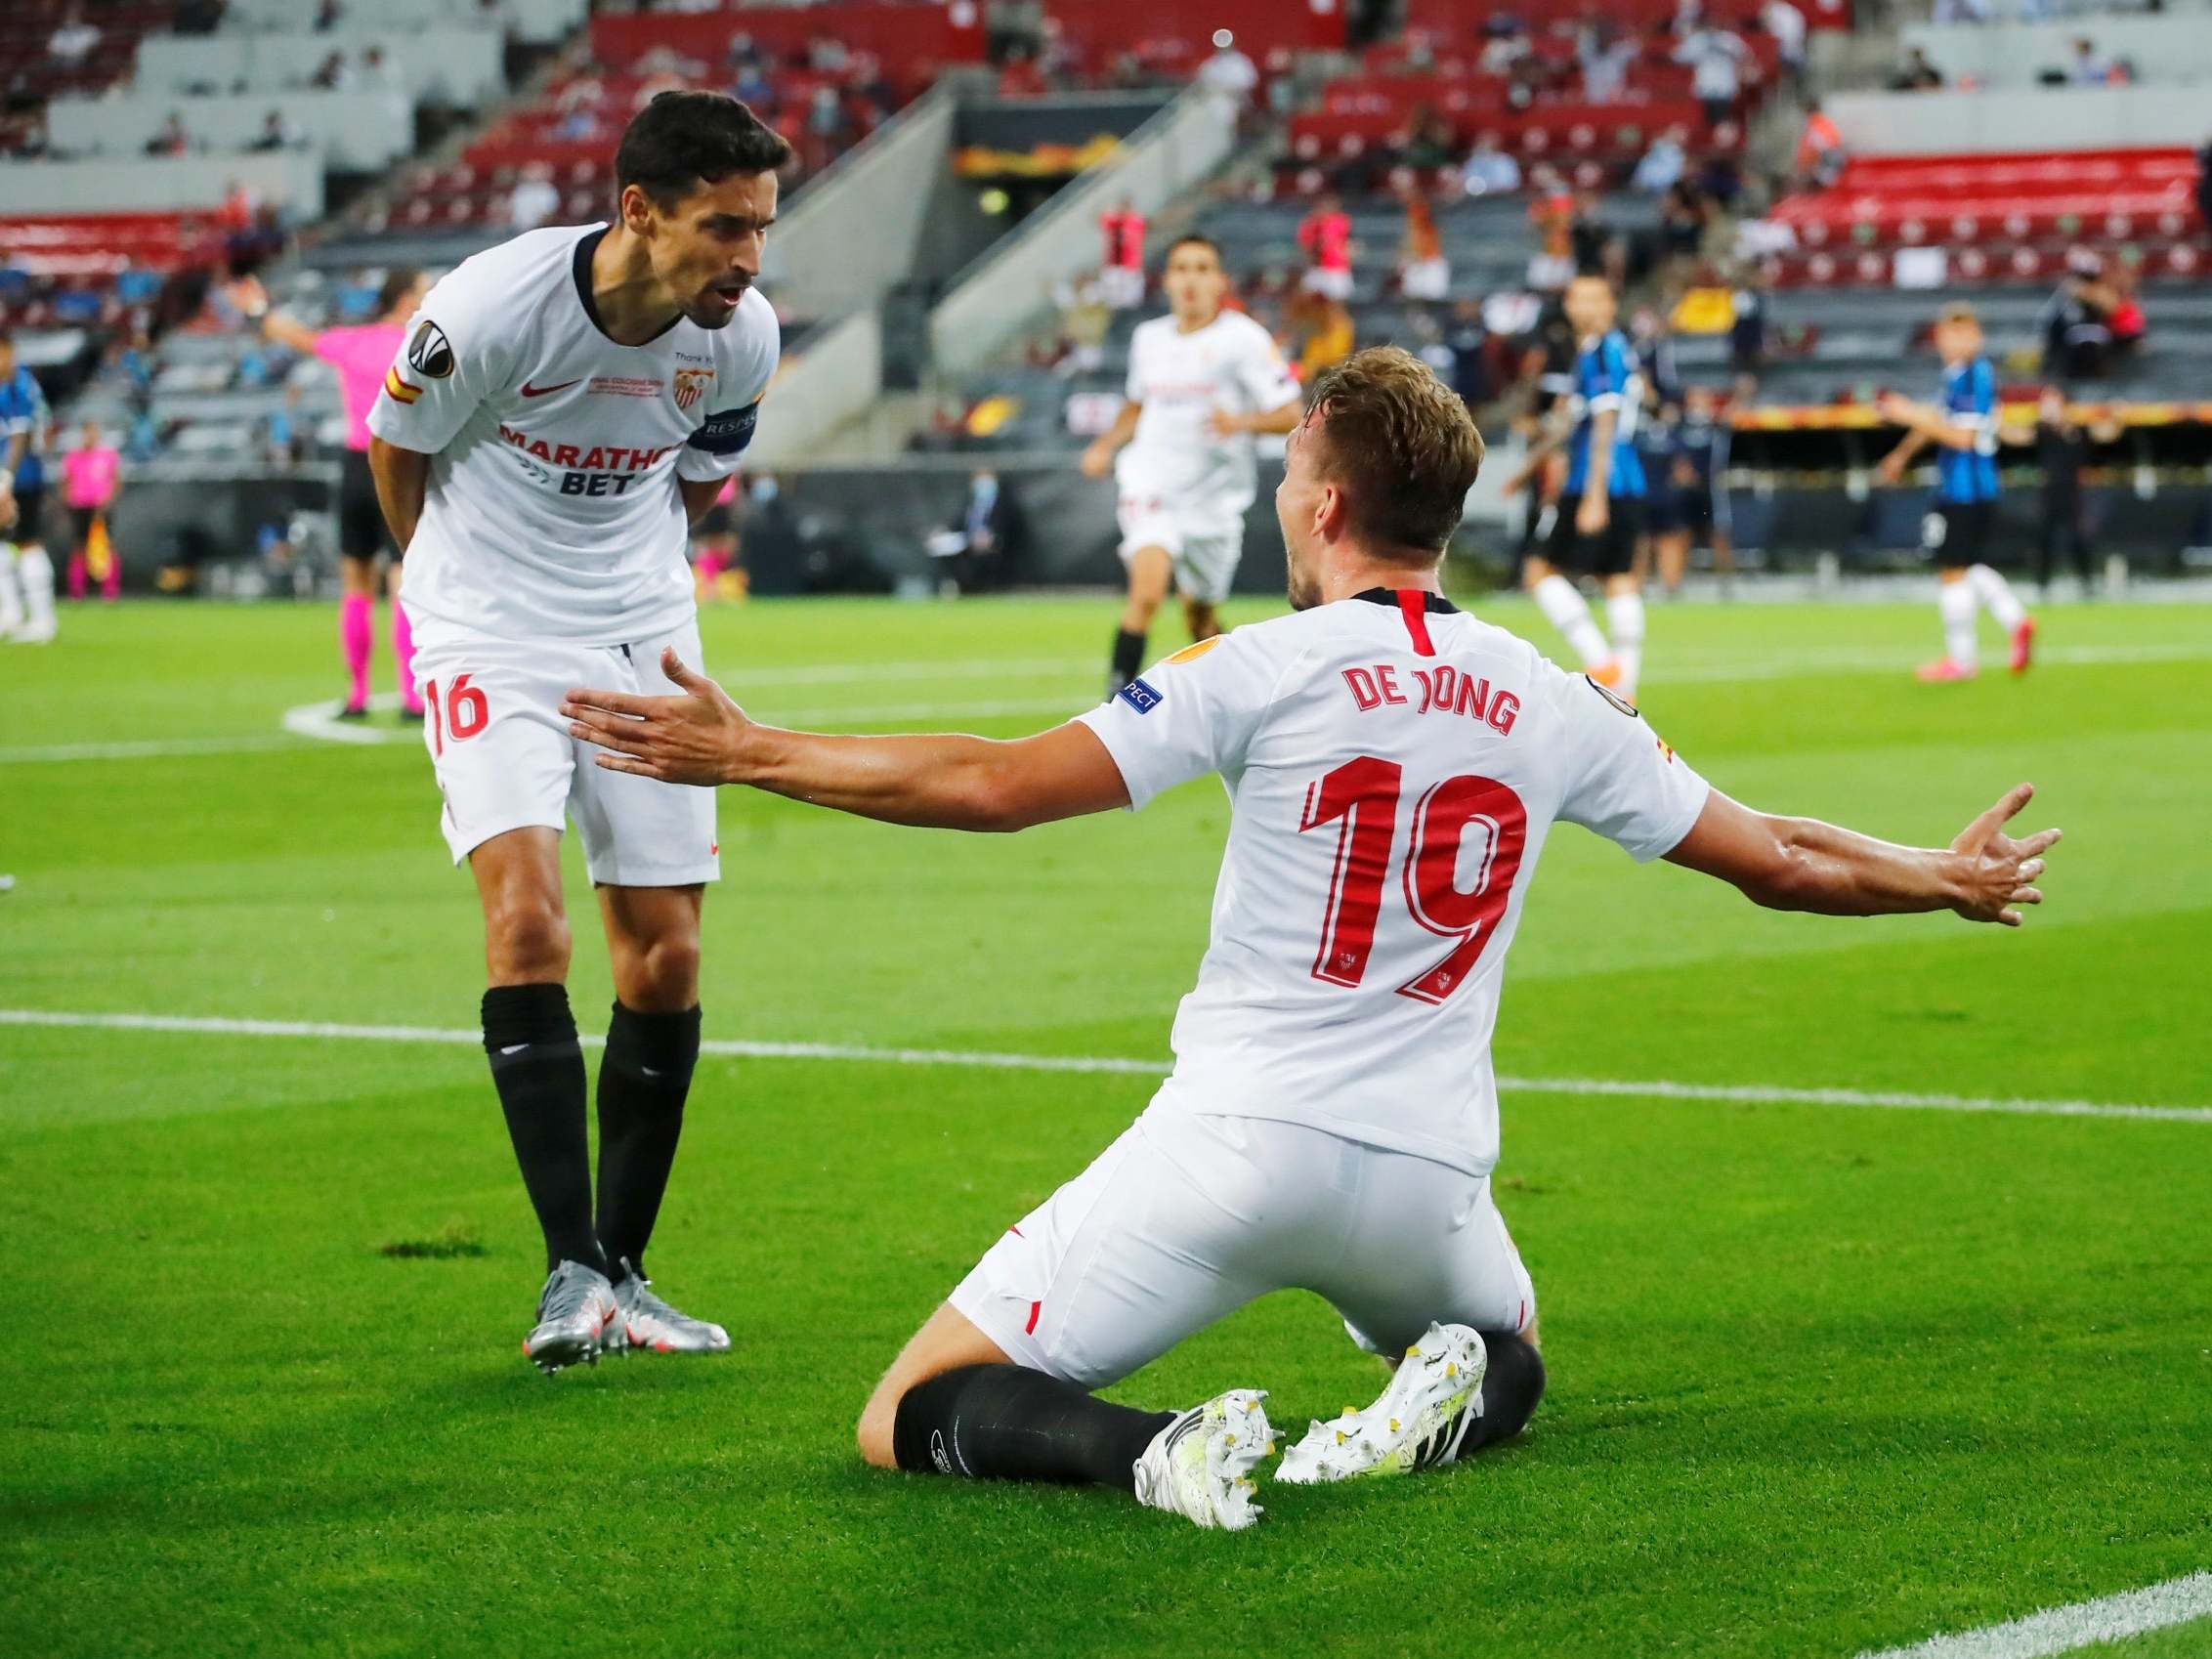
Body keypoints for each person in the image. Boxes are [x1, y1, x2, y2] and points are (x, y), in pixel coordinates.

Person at [561, 346, 2063, 1532]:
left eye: (1290, 476)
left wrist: (754, 753)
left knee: (913, 1407)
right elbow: (1781, 858)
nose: (1283, 500)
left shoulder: (1263, 663)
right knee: (1511, 1339)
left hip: (1232, 1152)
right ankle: (1450, 1381)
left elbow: (999, 784)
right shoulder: (1549, 693)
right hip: (1427, 1179)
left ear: (1329, 506)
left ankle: (1158, 1449)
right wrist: (1939, 871)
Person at [363, 91, 786, 1372]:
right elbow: (396, 446)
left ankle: (627, 1270)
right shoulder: (489, 308)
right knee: (530, 924)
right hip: (488, 626)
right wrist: (446, 594)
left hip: (640, 632)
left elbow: (699, 480)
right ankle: (565, 1271)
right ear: (640, 211)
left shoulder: (742, 341)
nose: (750, 259)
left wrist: (626, 590)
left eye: (764, 227)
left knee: (662, 956)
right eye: (725, 227)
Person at [1081, 234, 1302, 695]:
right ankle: (1114, 707)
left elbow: (1291, 413)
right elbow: (1137, 405)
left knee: (1200, 617)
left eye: (1203, 269)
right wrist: (1105, 445)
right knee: (1146, 593)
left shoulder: (1243, 339)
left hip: (1213, 499)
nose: (1191, 280)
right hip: (1150, 481)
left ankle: (1232, 697)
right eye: (1182, 268)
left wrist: (1240, 422)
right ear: (1167, 281)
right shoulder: (1149, 339)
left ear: (1219, 281)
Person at [258, 268, 432, 718]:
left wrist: (258, 308)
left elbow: (291, 335)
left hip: (355, 463)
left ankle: (357, 694)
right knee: (402, 580)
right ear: (402, 299)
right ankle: (409, 695)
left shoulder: (353, 341)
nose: (428, 297)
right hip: (401, 465)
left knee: (355, 581)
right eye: (421, 291)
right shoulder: (421, 343)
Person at [1877, 303, 2036, 683]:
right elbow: (1939, 420)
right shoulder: (1960, 377)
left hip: (1966, 488)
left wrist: (1907, 413)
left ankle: (1962, 661)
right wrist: (1901, 454)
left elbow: (1961, 438)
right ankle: (2016, 620)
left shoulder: (1971, 377)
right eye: (1946, 333)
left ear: (1976, 337)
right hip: (1973, 486)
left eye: (1960, 333)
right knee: (1968, 566)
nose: (1950, 341)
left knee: (1951, 571)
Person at [1511, 275, 1647, 697]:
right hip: (1620, 479)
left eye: (1593, 298)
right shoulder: (1597, 351)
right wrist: (1525, 470)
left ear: (1609, 305)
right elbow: (1570, 422)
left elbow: (1605, 421)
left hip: (1600, 479)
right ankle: (1624, 683)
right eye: (1576, 298)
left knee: (1539, 571)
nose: (1582, 306)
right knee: (1617, 576)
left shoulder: (1604, 352)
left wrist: (1594, 495)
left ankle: (1604, 666)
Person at [0, 331, 58, 645]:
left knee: (28, 542)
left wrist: (5, 480)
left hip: (22, 477)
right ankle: (10, 613)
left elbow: (21, 436)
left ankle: (43, 619)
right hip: (7, 475)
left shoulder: (20, 385)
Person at [1650, 384, 1734, 597]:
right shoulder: (1680, 425)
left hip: (1709, 489)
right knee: (1680, 534)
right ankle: (1673, 584)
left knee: (1718, 534)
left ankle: (1725, 585)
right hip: (1685, 491)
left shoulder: (1716, 425)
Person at [2032, 387, 2096, 598]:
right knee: (2044, 539)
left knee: (2076, 539)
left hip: (2072, 493)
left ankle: (2087, 582)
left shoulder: (2078, 430)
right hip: (2050, 493)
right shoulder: (2042, 430)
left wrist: (2115, 414)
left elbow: (2106, 433)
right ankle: (2043, 584)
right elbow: (2017, 436)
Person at [61, 419, 122, 603]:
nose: (90, 436)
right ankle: (76, 590)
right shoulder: (73, 456)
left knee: (106, 546)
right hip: (80, 506)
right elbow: (65, 481)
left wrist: (108, 500)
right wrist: (69, 500)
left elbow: (116, 480)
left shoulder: (107, 455)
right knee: (79, 546)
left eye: (93, 432)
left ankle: (110, 590)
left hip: (101, 506)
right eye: (87, 432)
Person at [1296, 194, 1355, 303]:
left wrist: (1346, 255)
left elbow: (1350, 243)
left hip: (1336, 268)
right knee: (1306, 302)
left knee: (1336, 305)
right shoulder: (1310, 223)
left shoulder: (1341, 221)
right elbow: (1304, 246)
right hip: (1316, 268)